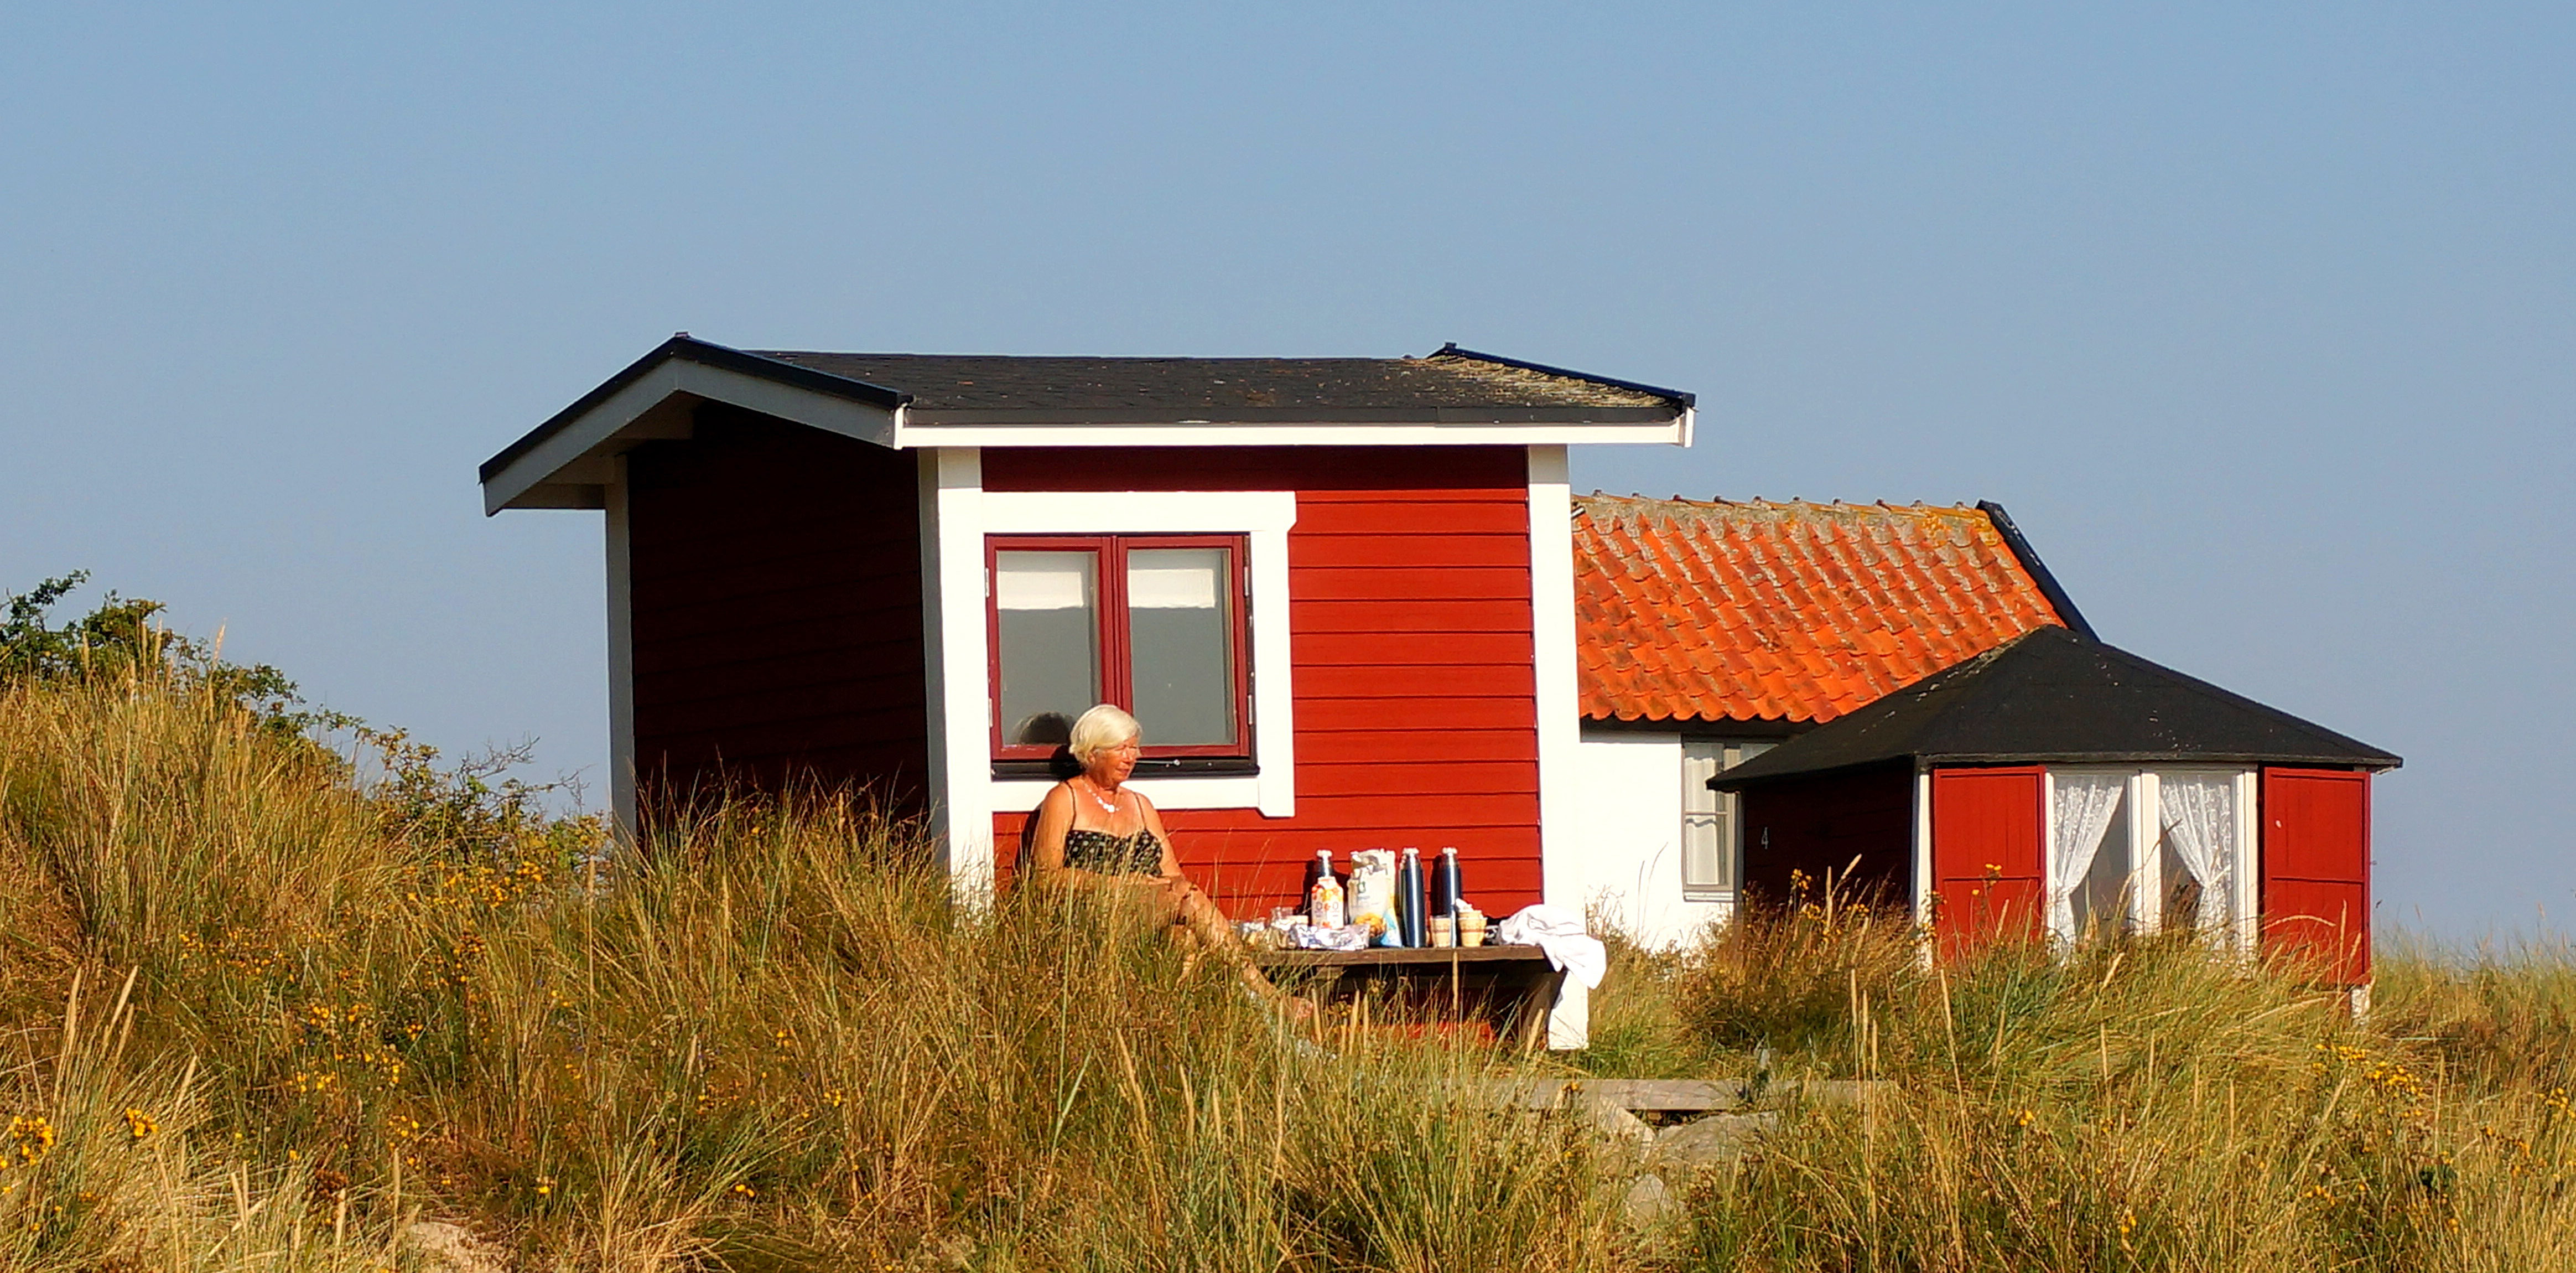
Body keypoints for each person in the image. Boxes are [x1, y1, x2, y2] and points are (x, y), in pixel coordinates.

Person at [1022, 703, 1239, 951]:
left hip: (1150, 909)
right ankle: (1256, 986)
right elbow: (1046, 877)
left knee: (1182, 938)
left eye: (1134, 748)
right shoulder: (1065, 798)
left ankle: (1235, 987)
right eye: (1120, 749)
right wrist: (1123, 884)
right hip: (1096, 913)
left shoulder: (1140, 804)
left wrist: (1159, 889)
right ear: (1092, 753)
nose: (1131, 757)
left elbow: (1173, 874)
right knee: (1186, 897)